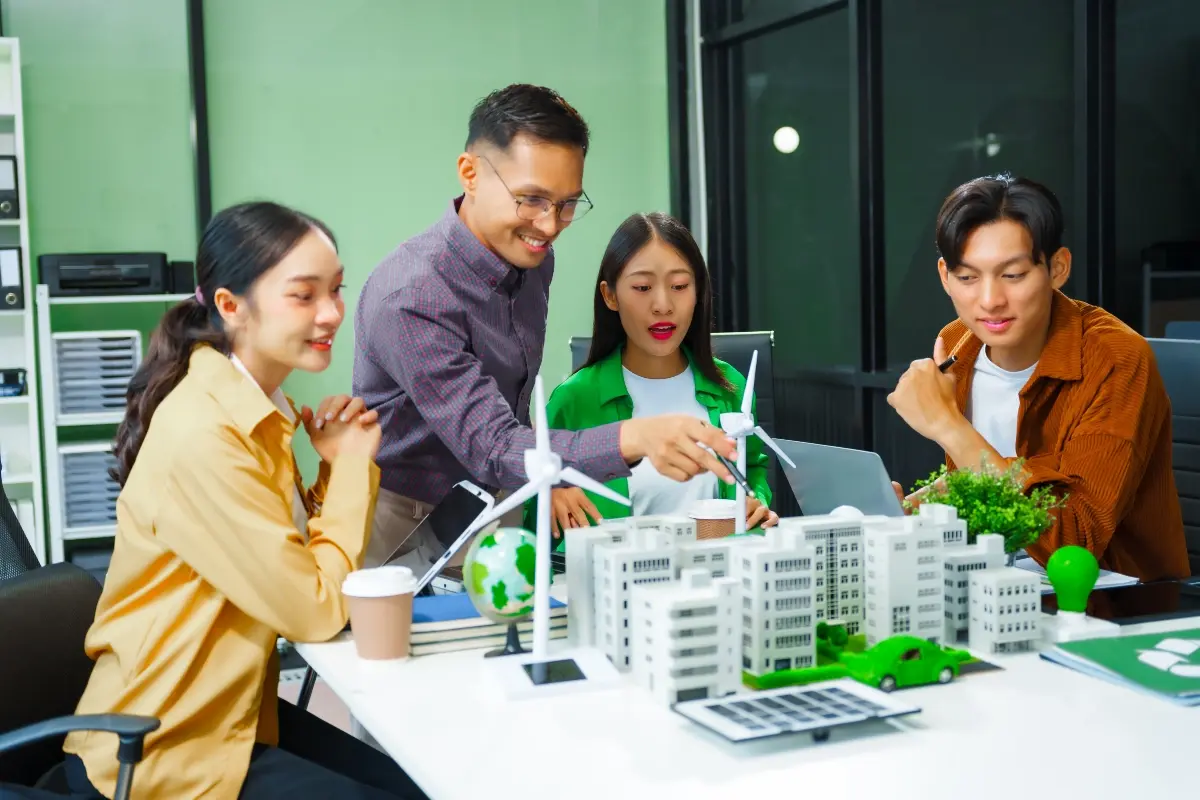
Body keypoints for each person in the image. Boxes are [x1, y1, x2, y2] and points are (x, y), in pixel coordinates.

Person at [62, 202, 425, 799]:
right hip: (164, 746)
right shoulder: (207, 432)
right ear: (231, 306)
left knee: (416, 781)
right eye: (303, 296)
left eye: (335, 290)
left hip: (230, 720)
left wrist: (334, 468)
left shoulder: (254, 404)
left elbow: (291, 550)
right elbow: (312, 606)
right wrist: (356, 466)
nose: (332, 313)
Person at [353, 84, 737, 572]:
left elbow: (507, 408)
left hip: (499, 495)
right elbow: (491, 444)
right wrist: (636, 437)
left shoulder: (533, 259)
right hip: (407, 515)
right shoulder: (411, 296)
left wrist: (550, 475)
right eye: (531, 199)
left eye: (568, 203)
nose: (551, 225)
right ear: (469, 173)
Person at [886, 174, 1188, 582]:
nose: (990, 300)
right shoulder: (958, 341)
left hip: (1109, 602)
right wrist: (911, 509)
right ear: (945, 276)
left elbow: (1075, 541)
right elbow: (983, 479)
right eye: (967, 277)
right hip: (998, 581)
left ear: (1057, 268)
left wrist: (949, 427)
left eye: (1012, 275)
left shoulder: (1116, 358)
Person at [523, 212, 778, 538]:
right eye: (643, 287)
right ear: (610, 295)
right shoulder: (573, 400)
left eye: (680, 286)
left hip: (716, 579)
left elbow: (752, 467)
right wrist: (550, 497)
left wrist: (754, 501)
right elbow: (535, 517)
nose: (663, 305)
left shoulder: (731, 387)